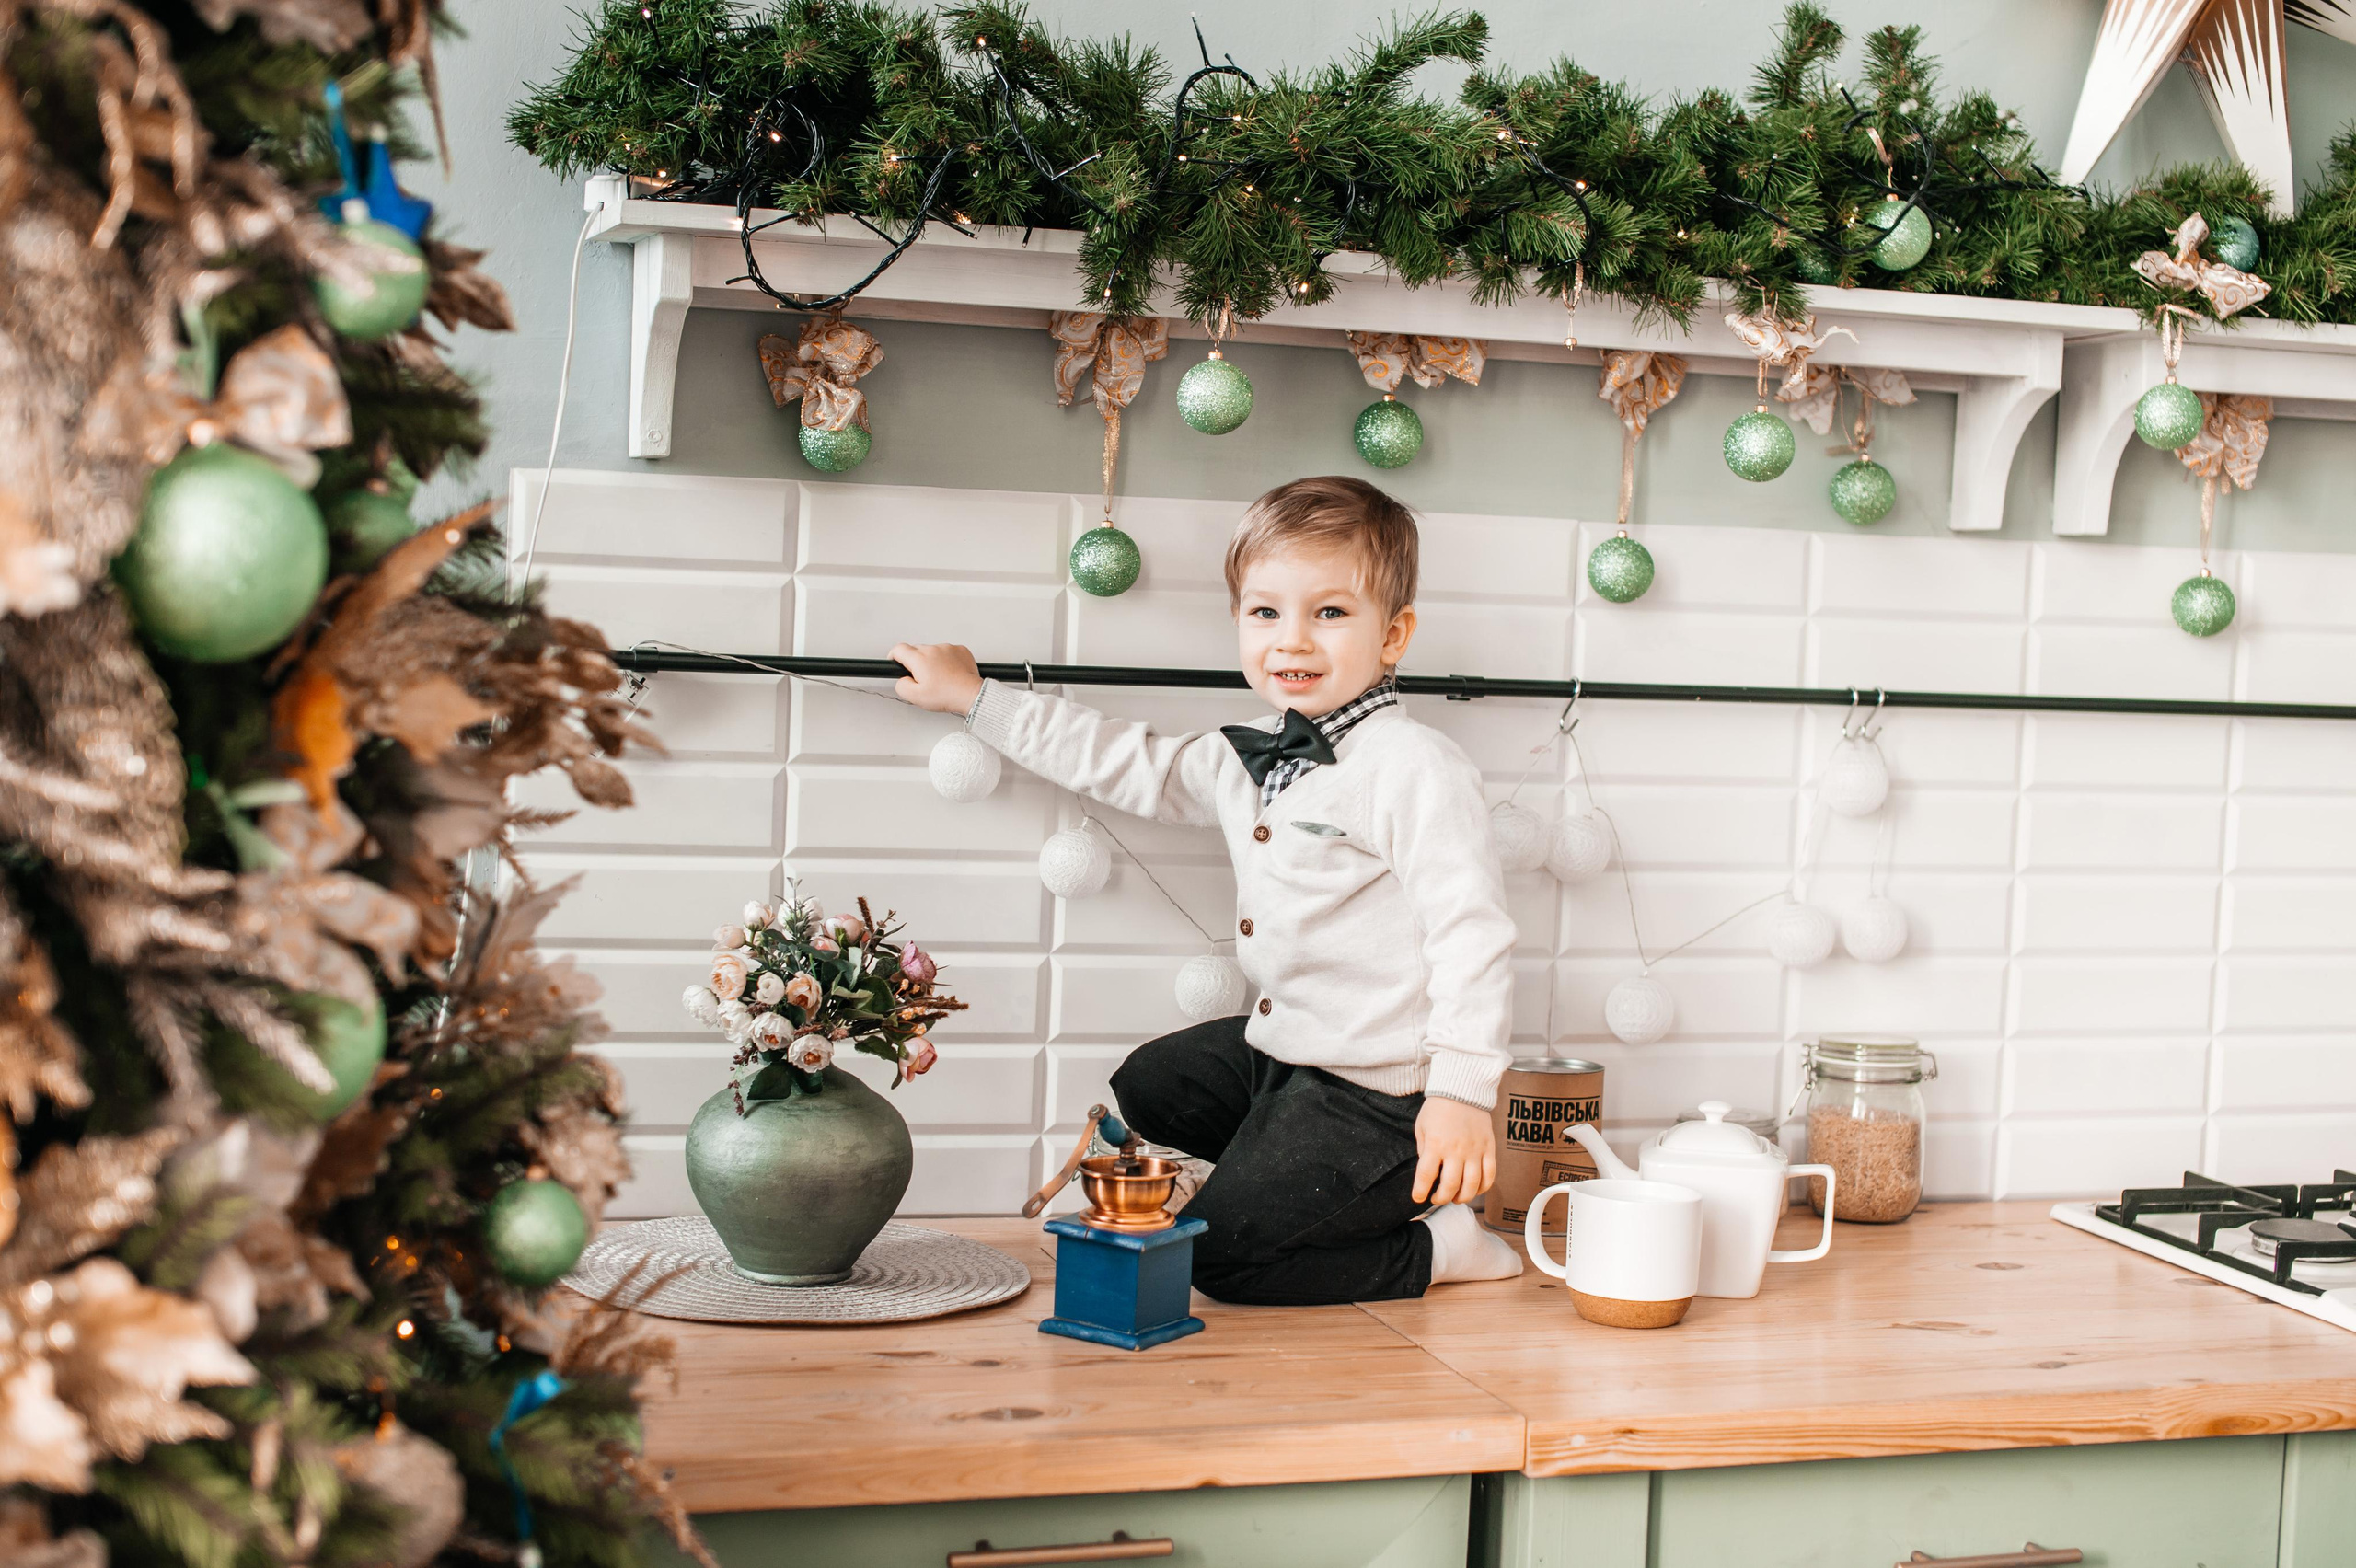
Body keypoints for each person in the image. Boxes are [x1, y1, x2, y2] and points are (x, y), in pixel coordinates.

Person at [892, 475, 1522, 1304]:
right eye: (1266, 613)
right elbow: (1130, 762)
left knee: (1220, 1261)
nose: (1292, 640)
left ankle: (1439, 1246)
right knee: (1155, 1082)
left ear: (1394, 634)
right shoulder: (1248, 750)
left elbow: (1471, 934)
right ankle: (1291, 1180)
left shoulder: (1414, 768)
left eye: (1329, 613)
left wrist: (1460, 1095)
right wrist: (979, 701)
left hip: (1386, 1089)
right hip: (1292, 1052)